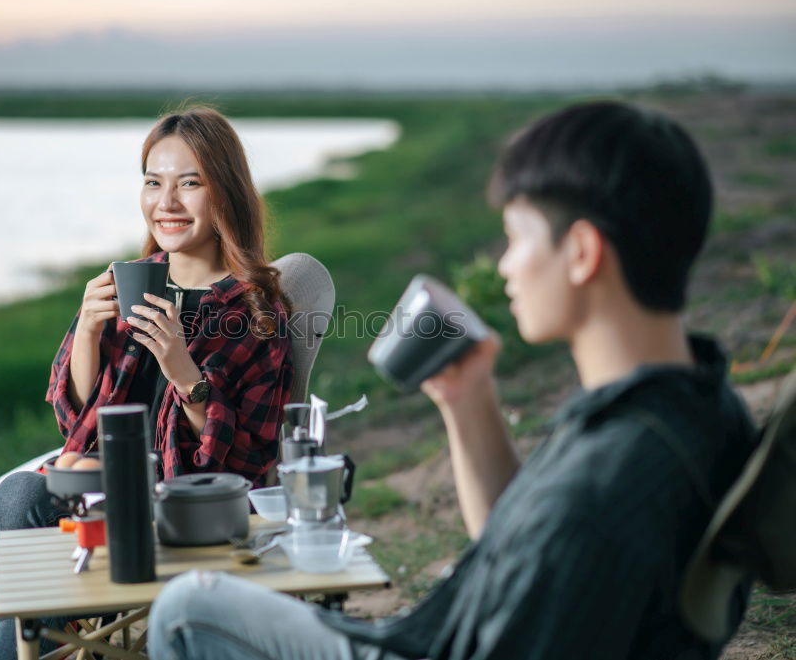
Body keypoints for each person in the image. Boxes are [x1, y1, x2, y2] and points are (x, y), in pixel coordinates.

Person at [146, 101, 759, 660]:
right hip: (431, 637)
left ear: (581, 253)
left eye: (517, 239)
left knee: (185, 608)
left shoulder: (614, 474)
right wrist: (468, 400)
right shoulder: (688, 405)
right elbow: (516, 544)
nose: (504, 264)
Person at [0, 106, 294, 659]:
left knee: (28, 507)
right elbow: (74, 422)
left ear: (226, 193)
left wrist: (183, 371)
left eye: (189, 184)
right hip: (102, 500)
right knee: (19, 493)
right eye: (153, 183)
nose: (165, 203)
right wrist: (87, 331)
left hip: (186, 513)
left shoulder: (256, 311)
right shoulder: (131, 281)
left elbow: (244, 464)